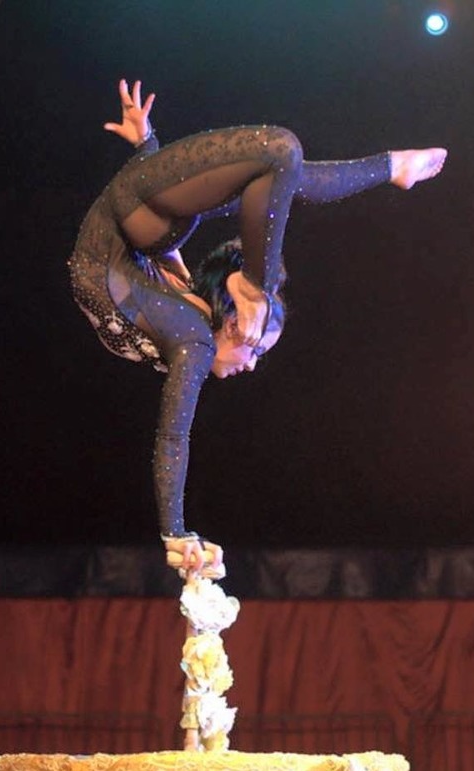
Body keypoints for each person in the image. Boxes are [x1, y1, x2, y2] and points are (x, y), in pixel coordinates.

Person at [69, 79, 447, 577]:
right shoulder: (193, 333)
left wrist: (175, 534)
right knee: (279, 163)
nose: (250, 365)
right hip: (135, 217)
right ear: (232, 321)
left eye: (256, 349)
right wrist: (146, 143)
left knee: (279, 162)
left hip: (131, 219)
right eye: (254, 346)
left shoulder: (187, 329)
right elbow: (173, 439)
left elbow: (171, 436)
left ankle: (385, 173)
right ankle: (262, 281)